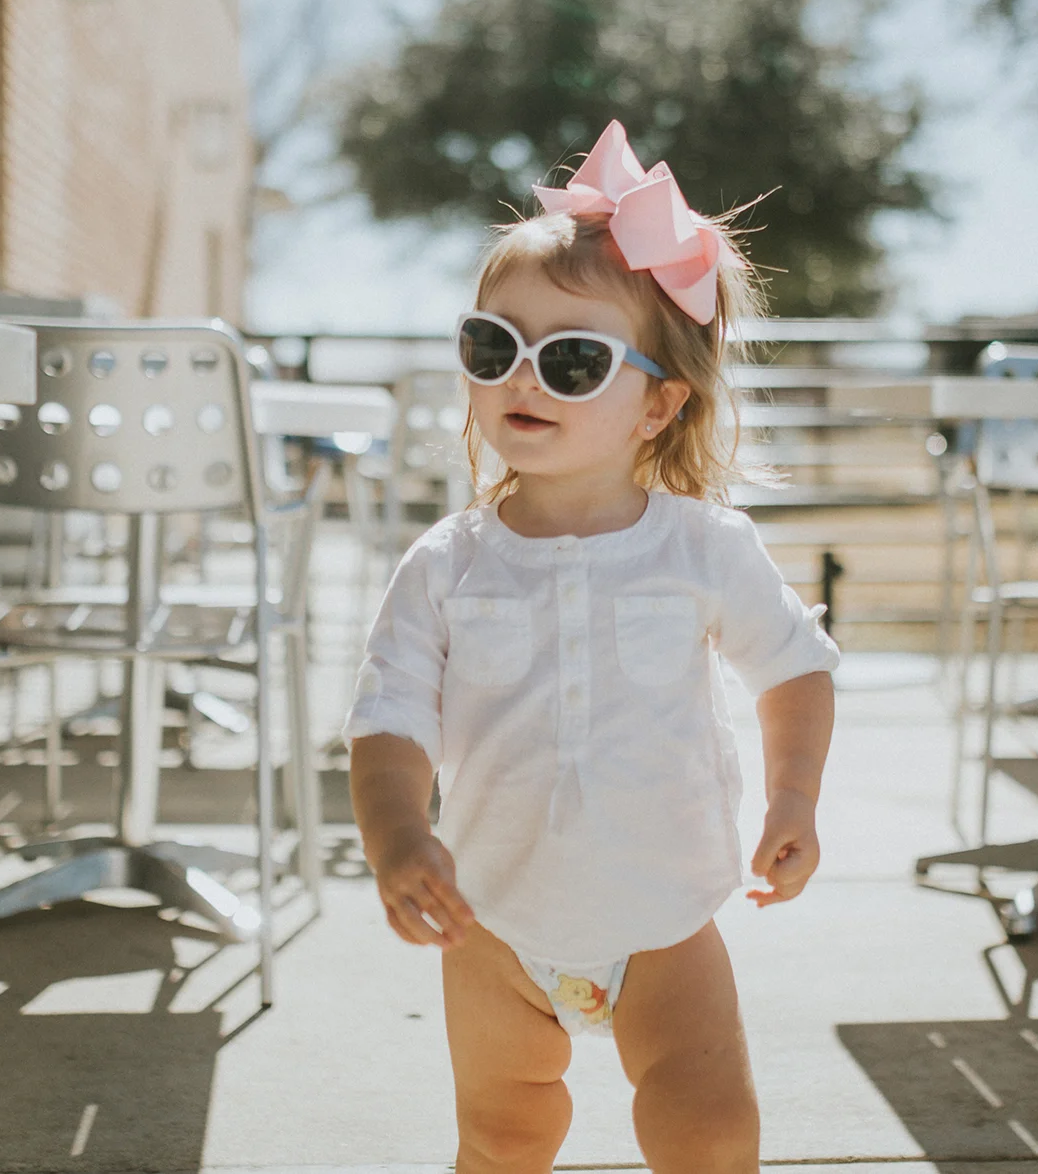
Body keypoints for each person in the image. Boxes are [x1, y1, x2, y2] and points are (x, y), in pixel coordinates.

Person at [344, 121, 839, 1174]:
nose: (522, 379)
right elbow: (387, 724)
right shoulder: (447, 562)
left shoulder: (702, 548)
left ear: (658, 404)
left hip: (663, 922)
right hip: (490, 926)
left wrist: (792, 797)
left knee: (709, 1134)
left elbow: (792, 665)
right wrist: (395, 839)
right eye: (493, 346)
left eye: (569, 360)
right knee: (503, 1136)